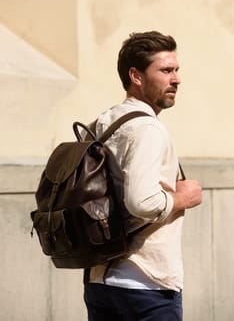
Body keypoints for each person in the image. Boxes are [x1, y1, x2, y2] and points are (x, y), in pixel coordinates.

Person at [83, 30, 202, 321]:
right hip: (146, 287)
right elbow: (141, 202)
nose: (176, 79)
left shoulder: (104, 121)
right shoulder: (148, 128)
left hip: (101, 281)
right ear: (136, 76)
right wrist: (182, 197)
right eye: (165, 70)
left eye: (176, 70)